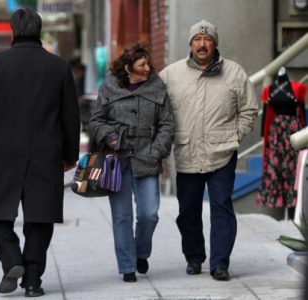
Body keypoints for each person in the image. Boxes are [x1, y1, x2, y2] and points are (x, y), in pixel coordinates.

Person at [0, 8, 80, 297]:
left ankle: (11, 260)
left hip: (5, 151)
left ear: (13, 31)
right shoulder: (59, 66)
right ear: (40, 30)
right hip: (47, 152)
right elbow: (71, 116)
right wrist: (69, 154)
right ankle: (32, 281)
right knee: (40, 217)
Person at [159, 20, 259, 281]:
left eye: (208, 40)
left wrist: (235, 135)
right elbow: (156, 108)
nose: (202, 44)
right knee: (188, 210)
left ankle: (220, 264)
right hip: (186, 152)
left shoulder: (235, 72)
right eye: (197, 40)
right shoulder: (171, 74)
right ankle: (194, 257)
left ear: (215, 44)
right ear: (190, 44)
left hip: (222, 152)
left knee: (221, 206)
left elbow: (249, 109)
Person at [90, 43, 174, 282]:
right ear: (128, 68)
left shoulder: (157, 87)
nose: (148, 68)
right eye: (142, 65)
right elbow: (96, 120)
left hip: (147, 156)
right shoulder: (109, 87)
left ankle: (141, 253)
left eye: (148, 63)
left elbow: (167, 124)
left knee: (150, 214)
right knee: (122, 216)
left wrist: (156, 151)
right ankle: (127, 267)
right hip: (116, 159)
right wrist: (110, 137)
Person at [256, 67, 306, 215]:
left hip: (293, 130)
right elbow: (265, 115)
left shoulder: (298, 88)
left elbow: (302, 113)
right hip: (276, 133)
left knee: (293, 167)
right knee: (276, 166)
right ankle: (281, 201)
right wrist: (263, 136)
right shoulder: (268, 90)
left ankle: (293, 204)